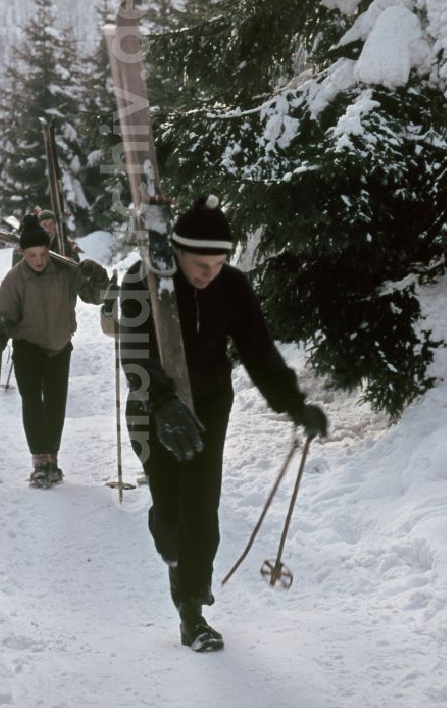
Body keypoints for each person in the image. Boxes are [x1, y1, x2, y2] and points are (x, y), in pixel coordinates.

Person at [119, 195, 327, 652]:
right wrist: (161, 401)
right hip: (151, 409)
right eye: (200, 263)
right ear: (176, 250)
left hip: (209, 405)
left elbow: (258, 350)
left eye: (217, 262)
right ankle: (167, 532)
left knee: (202, 506)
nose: (209, 272)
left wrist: (295, 405)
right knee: (171, 509)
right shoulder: (141, 280)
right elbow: (131, 352)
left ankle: (191, 608)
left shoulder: (232, 286)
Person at [0, 214, 110, 488]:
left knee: (56, 403)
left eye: (43, 254)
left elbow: (96, 296)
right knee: (32, 401)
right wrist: (0, 331)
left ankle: (52, 459)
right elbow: (1, 315)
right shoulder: (14, 279)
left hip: (59, 346)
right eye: (32, 255)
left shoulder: (66, 271)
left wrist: (99, 277)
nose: (39, 261)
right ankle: (40, 461)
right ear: (22, 253)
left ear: (49, 249)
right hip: (27, 347)